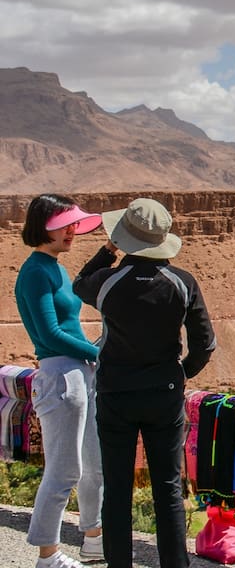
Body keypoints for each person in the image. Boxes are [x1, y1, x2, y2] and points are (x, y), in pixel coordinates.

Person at [73, 197, 216, 568]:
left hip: (115, 394)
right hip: (164, 395)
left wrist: (109, 249)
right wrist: (182, 373)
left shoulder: (107, 283)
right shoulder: (181, 283)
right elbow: (205, 343)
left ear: (125, 237)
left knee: (117, 488)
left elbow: (78, 284)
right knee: (167, 488)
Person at [14, 194, 105, 568]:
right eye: (65, 224)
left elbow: (66, 326)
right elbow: (50, 333)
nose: (72, 231)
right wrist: (100, 353)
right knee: (64, 470)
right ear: (44, 226)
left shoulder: (56, 268)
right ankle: (47, 555)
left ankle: (94, 539)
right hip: (60, 376)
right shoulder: (36, 271)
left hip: (77, 372)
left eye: (73, 224)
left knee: (91, 463)